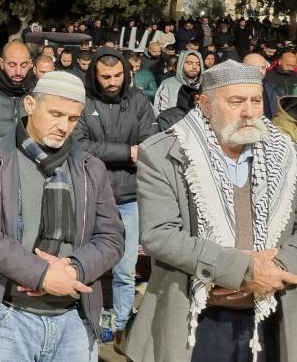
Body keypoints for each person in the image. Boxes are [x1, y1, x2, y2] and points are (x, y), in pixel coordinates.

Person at [127, 60, 297, 362]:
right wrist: (243, 270)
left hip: (275, 310)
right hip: (197, 318)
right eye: (236, 101)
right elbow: (159, 235)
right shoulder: (164, 152)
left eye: (256, 100)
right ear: (205, 104)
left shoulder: (286, 151)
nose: (249, 112)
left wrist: (278, 267)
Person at [0, 71, 124, 362]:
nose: (64, 127)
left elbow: (111, 237)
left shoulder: (91, 167)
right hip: (7, 317)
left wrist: (75, 270)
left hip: (74, 319)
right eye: (56, 114)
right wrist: (42, 275)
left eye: (73, 119)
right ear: (30, 105)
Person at [73, 47, 158, 349]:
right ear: (95, 75)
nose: (113, 81)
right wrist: (126, 152)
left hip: (129, 196)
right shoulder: (83, 102)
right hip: (91, 195)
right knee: (89, 264)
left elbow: (151, 142)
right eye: (106, 76)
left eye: (118, 75)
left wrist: (135, 152)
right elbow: (80, 145)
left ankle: (121, 323)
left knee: (125, 268)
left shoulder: (138, 100)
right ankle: (88, 318)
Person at [153, 50, 203, 115]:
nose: (194, 67)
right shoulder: (167, 84)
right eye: (189, 63)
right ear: (181, 64)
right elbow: (159, 113)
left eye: (198, 64)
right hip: (174, 124)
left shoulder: (206, 85)